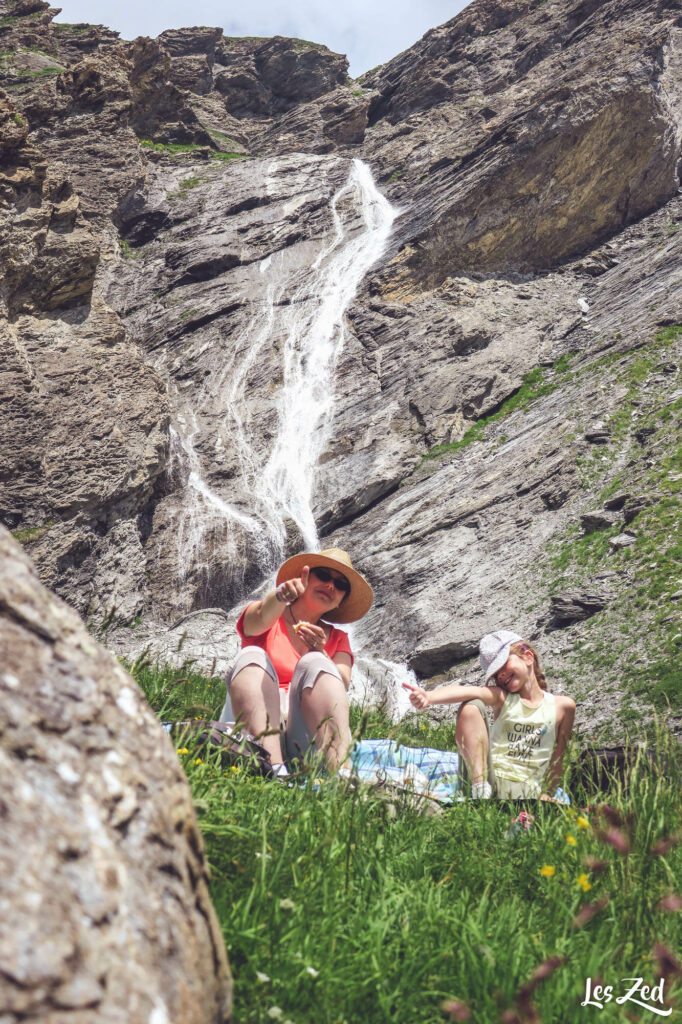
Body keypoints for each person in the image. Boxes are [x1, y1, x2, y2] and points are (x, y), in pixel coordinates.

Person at [219, 548, 373, 773]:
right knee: (252, 655)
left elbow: (342, 682)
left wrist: (320, 652)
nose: (330, 586)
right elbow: (258, 619)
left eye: (340, 585)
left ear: (341, 601)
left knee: (316, 663)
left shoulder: (339, 639)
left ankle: (340, 774)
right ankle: (273, 769)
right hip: (254, 725)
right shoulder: (271, 614)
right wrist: (280, 596)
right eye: (324, 576)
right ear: (305, 577)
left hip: (307, 737)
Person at [403, 630, 575, 800]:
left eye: (503, 664)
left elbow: (557, 758)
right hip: (490, 779)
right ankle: (480, 792)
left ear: (528, 657)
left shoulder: (563, 707)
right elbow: (468, 690)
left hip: (528, 791)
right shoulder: (502, 697)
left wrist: (547, 795)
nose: (500, 675)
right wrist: (429, 697)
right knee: (471, 705)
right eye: (495, 674)